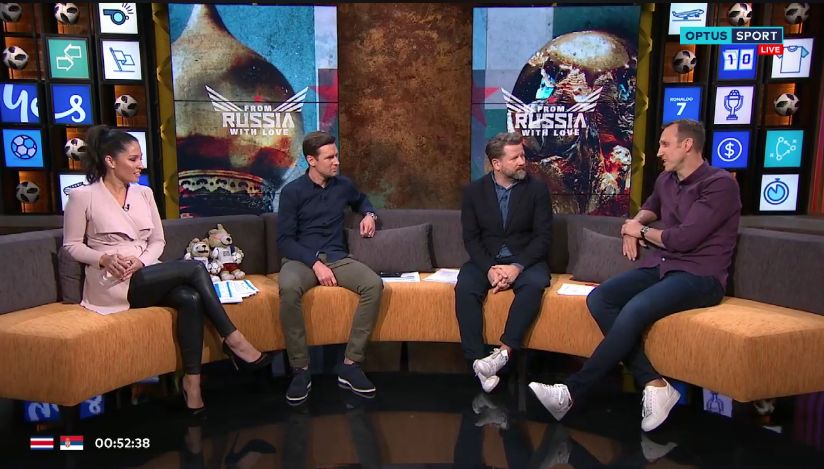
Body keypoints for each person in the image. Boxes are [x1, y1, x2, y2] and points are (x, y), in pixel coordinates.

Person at [529, 119, 742, 431]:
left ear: (687, 145)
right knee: (600, 298)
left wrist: (639, 231)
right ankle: (653, 382)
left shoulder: (719, 185)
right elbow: (651, 206)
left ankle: (571, 392)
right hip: (663, 265)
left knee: (635, 309)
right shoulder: (667, 179)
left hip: (700, 276)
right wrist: (635, 225)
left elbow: (683, 239)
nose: (658, 152)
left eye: (665, 144)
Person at [63, 125, 271, 415]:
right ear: (110, 161)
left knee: (190, 298)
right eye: (133, 159)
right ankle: (234, 339)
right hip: (112, 282)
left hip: (145, 271)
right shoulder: (83, 196)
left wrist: (142, 261)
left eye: (140, 158)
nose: (141, 165)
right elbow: (71, 246)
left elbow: (157, 241)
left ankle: (192, 383)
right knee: (195, 268)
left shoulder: (144, 193)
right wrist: (104, 258)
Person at [276, 130, 383, 405]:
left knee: (373, 284)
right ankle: (300, 369)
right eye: (330, 158)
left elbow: (362, 200)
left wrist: (369, 215)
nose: (336, 162)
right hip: (302, 259)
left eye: (336, 156)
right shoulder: (292, 192)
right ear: (311, 160)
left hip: (336, 257)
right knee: (288, 288)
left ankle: (350, 365)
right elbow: (284, 240)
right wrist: (314, 264)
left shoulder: (343, 185)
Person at [456, 132, 553, 393]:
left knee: (534, 286)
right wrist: (489, 268)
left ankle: (503, 353)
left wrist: (516, 267)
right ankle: (477, 362)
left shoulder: (537, 190)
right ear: (496, 164)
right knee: (465, 287)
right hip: (486, 260)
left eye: (523, 155)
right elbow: (471, 238)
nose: (522, 161)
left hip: (526, 260)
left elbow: (543, 237)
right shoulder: (474, 192)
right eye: (515, 157)